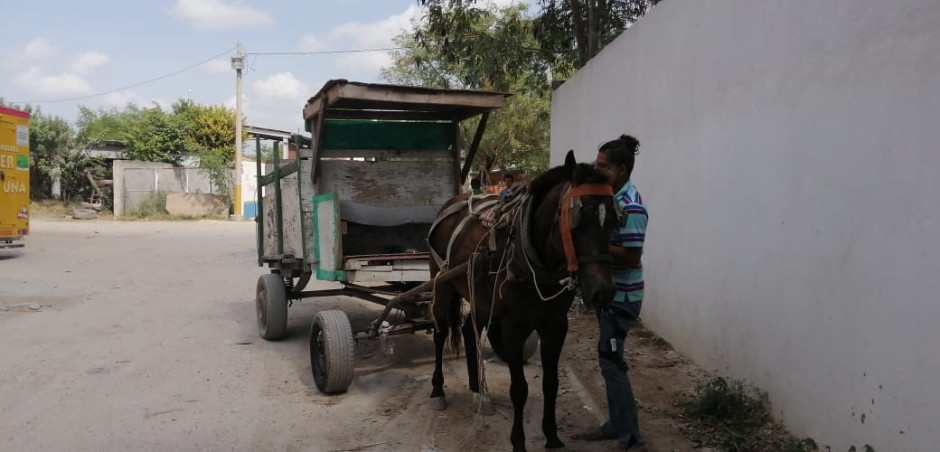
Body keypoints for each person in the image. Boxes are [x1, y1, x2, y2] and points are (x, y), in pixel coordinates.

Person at [581, 134, 648, 451]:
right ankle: (615, 424)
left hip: (623, 297)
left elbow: (633, 256)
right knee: (609, 360)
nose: (597, 168)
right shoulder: (609, 198)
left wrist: (595, 248)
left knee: (612, 363)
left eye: (603, 165)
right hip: (612, 294)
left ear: (621, 169)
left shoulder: (631, 207)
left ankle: (630, 434)